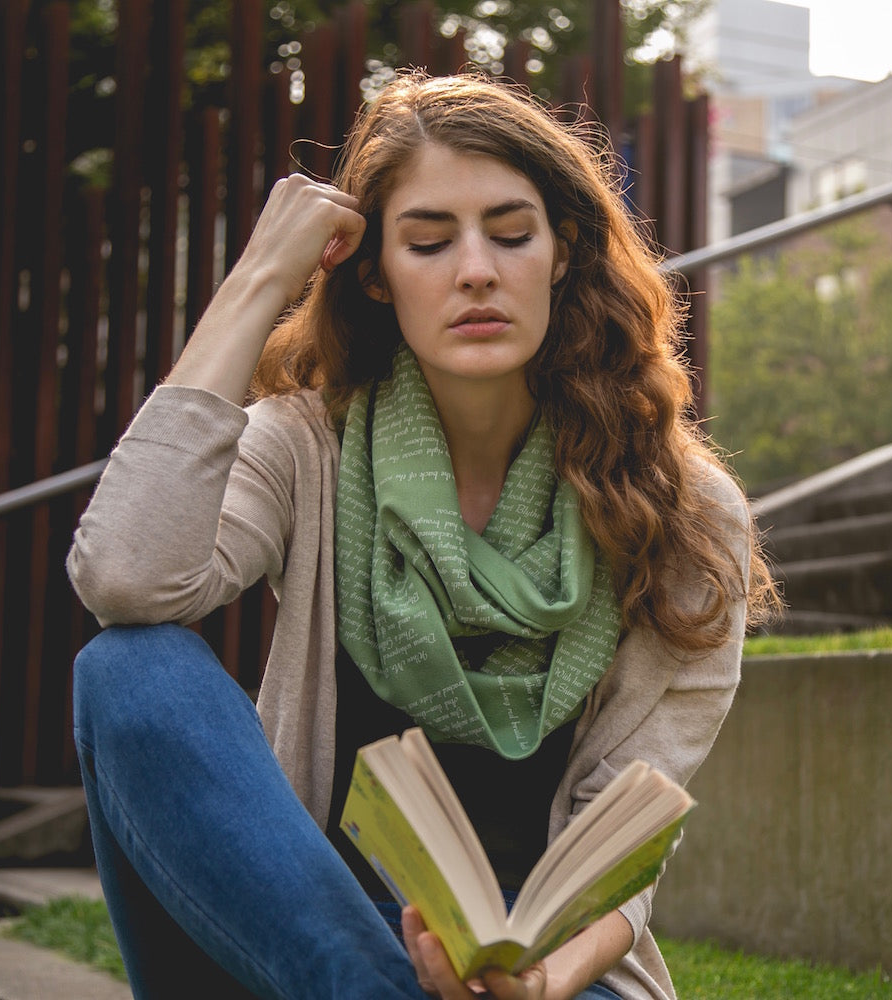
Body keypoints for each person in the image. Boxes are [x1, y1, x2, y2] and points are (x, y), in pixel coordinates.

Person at [67, 71, 777, 1000]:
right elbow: (124, 576)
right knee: (129, 670)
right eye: (429, 241)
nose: (475, 269)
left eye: (512, 234)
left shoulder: (682, 510)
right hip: (307, 937)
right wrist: (258, 280)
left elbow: (622, 843)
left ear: (562, 253)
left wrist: (539, 977)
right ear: (375, 273)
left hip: (543, 960)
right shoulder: (305, 447)